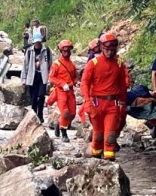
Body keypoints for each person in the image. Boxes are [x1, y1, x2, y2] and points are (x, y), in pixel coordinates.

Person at [81, 32, 129, 161]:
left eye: (112, 50)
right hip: (96, 103)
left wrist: (123, 103)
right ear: (102, 48)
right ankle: (96, 159)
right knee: (98, 135)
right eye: (107, 49)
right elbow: (85, 83)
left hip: (112, 104)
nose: (109, 52)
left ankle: (110, 160)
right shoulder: (93, 63)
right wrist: (87, 101)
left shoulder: (119, 63)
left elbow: (122, 86)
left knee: (111, 135)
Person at [49, 40, 78, 142]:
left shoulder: (72, 65)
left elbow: (74, 77)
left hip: (70, 91)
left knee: (73, 113)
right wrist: (62, 84)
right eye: (64, 50)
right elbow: (51, 77)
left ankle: (59, 123)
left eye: (68, 50)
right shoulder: (56, 64)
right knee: (65, 112)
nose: (66, 52)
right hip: (61, 91)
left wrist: (76, 82)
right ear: (61, 51)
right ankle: (64, 133)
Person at [21, 33, 53, 123]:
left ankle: (40, 114)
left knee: (41, 96)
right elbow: (25, 65)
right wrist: (24, 79)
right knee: (34, 97)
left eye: (39, 42)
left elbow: (50, 64)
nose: (38, 44)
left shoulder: (46, 50)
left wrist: (51, 77)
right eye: (36, 42)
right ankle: (34, 114)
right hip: (32, 76)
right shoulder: (29, 51)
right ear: (34, 42)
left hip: (43, 76)